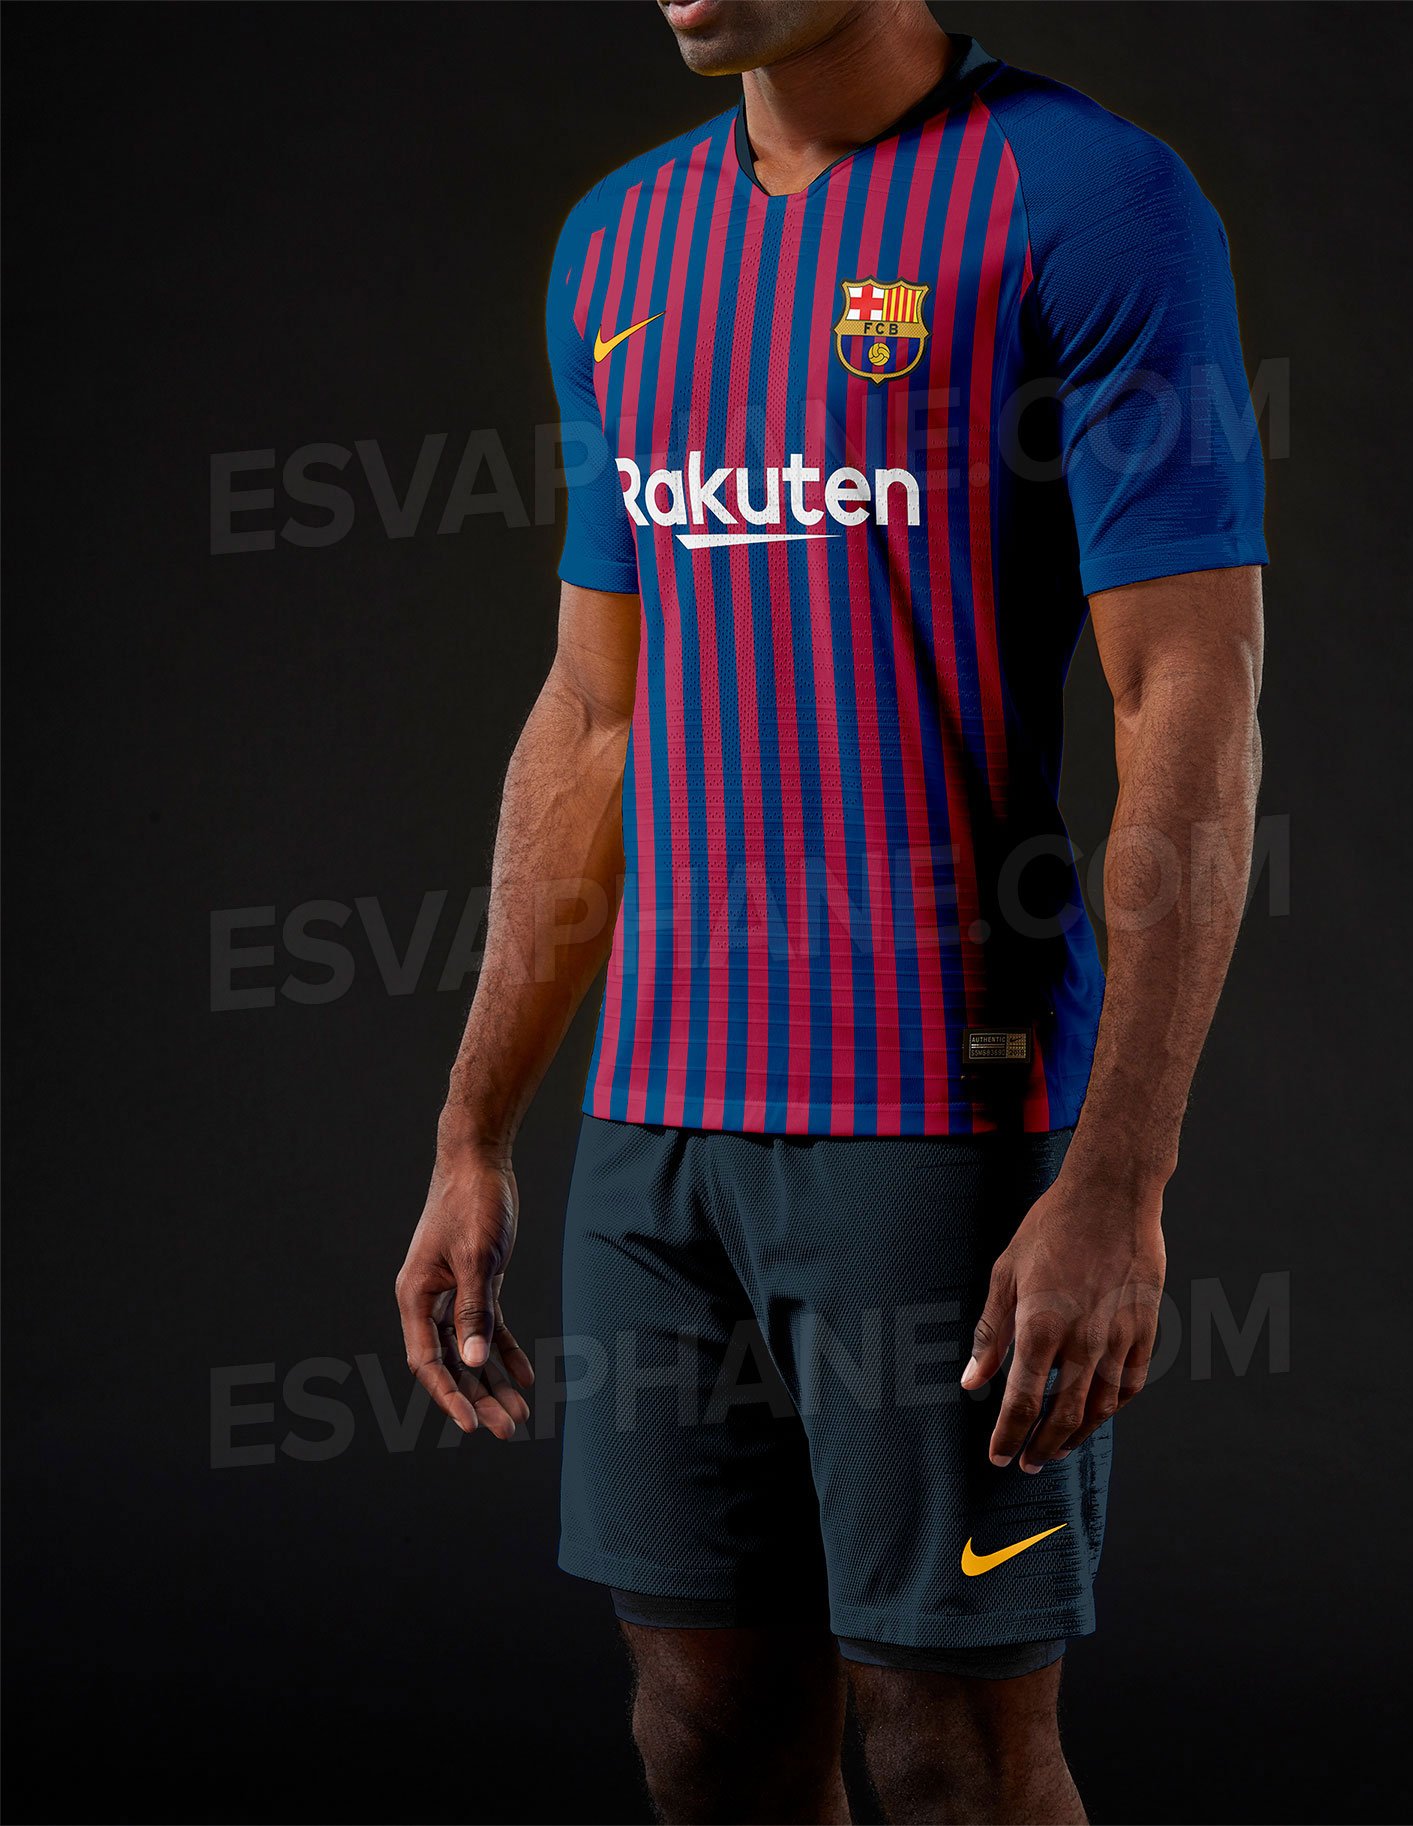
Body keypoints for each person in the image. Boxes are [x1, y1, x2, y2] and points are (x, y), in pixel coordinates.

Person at [396, 2, 1266, 1818]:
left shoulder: (1089, 201)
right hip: (658, 1139)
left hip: (941, 1129)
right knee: (700, 1724)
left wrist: (1119, 1175)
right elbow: (595, 711)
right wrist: (475, 1126)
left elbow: (1184, 697)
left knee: (950, 1747)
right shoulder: (619, 244)